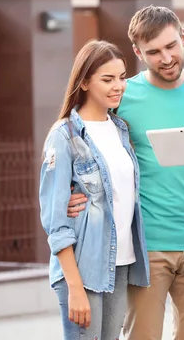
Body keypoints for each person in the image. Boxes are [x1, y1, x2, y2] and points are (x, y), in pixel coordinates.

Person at [67, 6, 184, 339]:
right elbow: (88, 150)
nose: (165, 58)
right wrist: (72, 195)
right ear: (138, 52)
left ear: (183, 38)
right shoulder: (122, 97)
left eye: (171, 46)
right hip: (143, 247)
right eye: (153, 52)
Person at [38, 40, 150, 340]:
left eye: (122, 77)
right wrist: (74, 287)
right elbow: (55, 222)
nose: (118, 86)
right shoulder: (65, 135)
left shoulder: (121, 130)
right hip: (83, 271)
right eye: (107, 79)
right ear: (85, 82)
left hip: (121, 264)